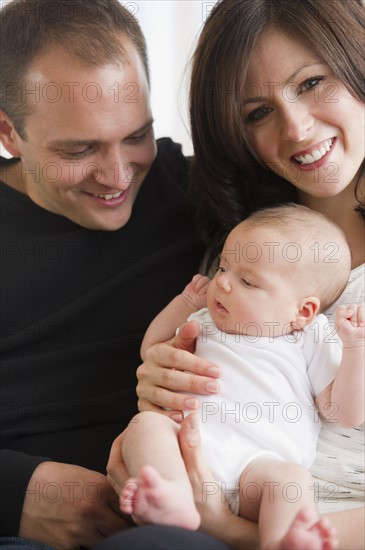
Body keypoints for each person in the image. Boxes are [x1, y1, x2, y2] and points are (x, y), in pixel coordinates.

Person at [109, 0, 365, 548]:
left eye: (313, 81)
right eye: (256, 112)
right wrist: (158, 385)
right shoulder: (237, 245)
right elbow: (177, 360)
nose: (296, 128)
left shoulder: (326, 330)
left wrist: (228, 529)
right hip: (210, 492)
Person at [0, 1, 232, 549]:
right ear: (9, 133)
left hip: (201, 511)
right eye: (79, 149)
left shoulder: (197, 192)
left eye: (135, 136)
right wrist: (16, 492)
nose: (118, 175)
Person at [118, 204, 363, 550]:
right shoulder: (205, 318)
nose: (223, 283)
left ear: (303, 311)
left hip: (259, 467)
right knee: (145, 427)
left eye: (247, 281)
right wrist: (185, 301)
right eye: (223, 267)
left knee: (292, 481)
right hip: (189, 449)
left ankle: (282, 541)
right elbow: (151, 349)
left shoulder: (310, 337)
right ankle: (172, 495)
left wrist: (354, 351)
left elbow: (344, 413)